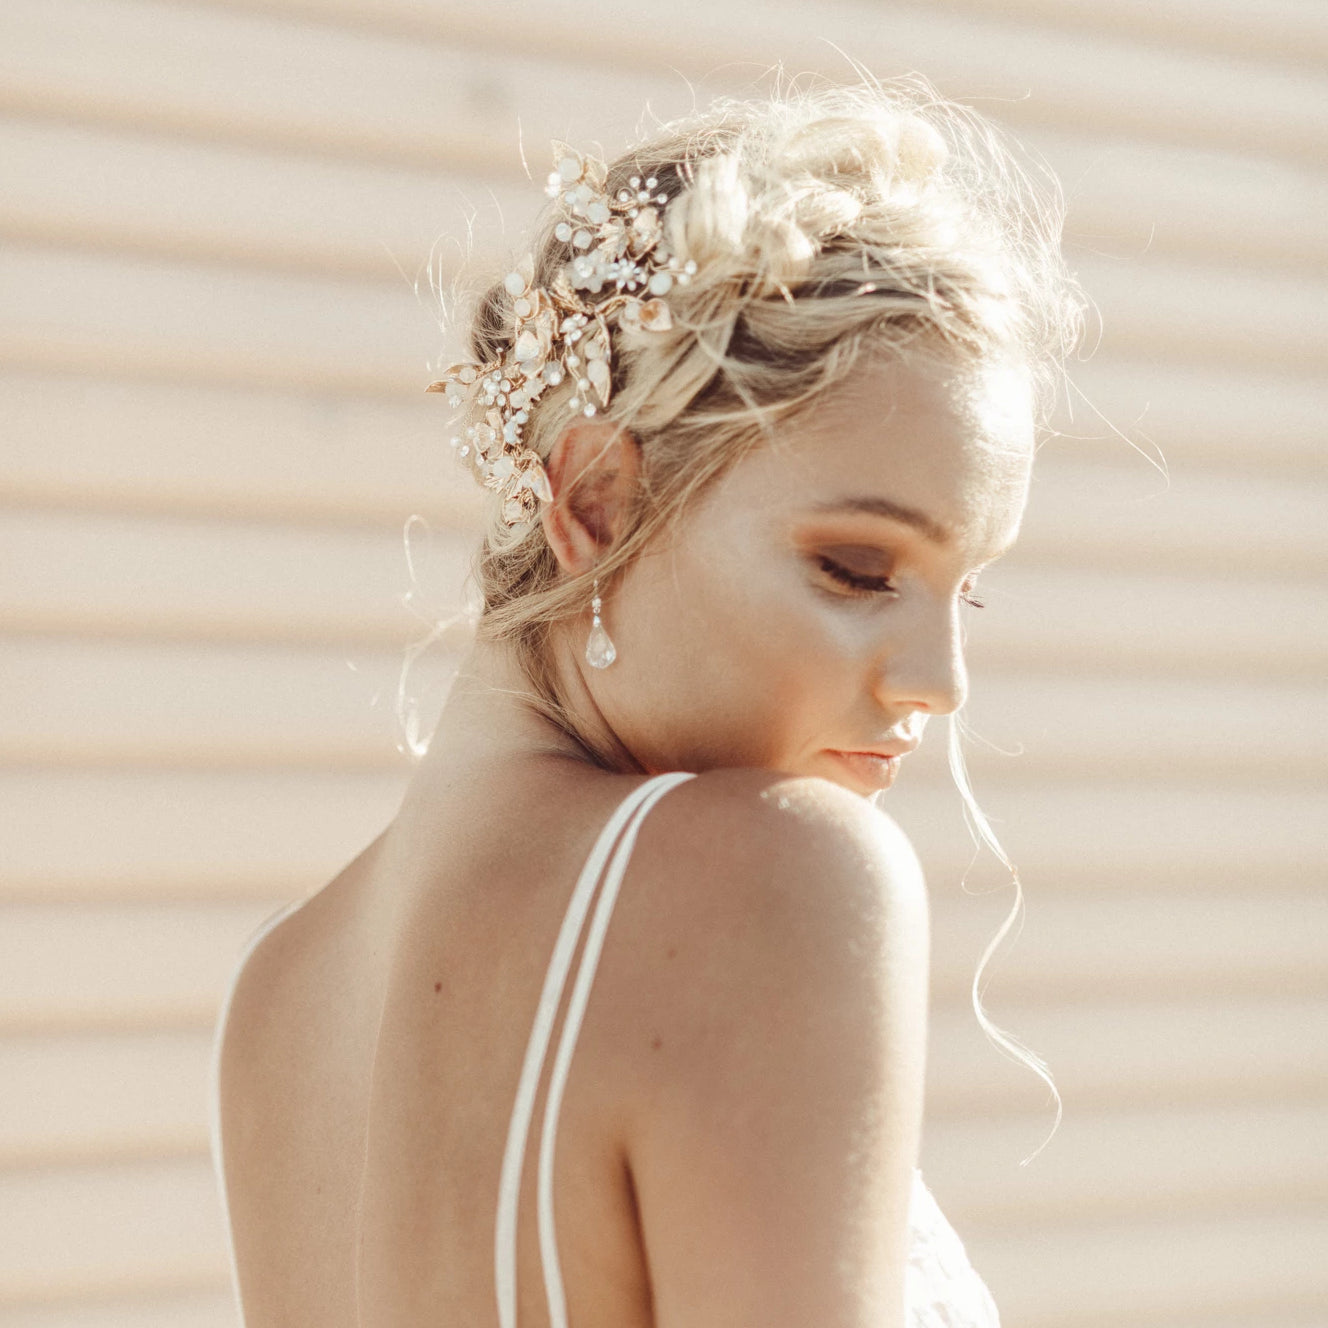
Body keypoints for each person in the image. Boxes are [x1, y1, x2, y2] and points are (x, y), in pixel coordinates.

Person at [209, 76, 1083, 1328]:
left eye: (967, 592)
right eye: (857, 568)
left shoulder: (280, 988)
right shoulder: (779, 873)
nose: (938, 682)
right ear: (595, 501)